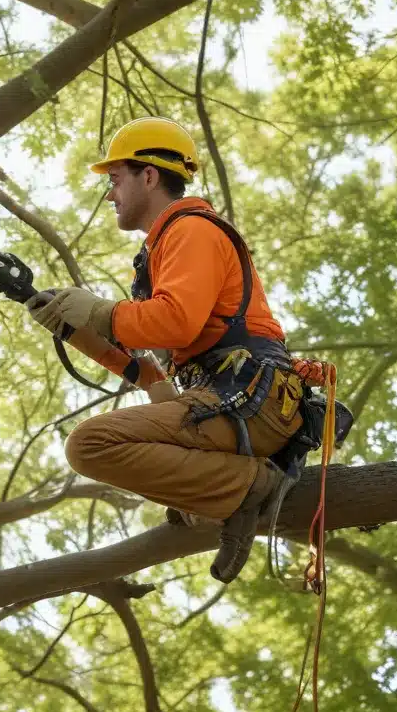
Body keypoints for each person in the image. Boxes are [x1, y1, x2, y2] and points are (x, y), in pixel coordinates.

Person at [28, 117, 303, 583]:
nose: (110, 194)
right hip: (224, 400)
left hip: (248, 401)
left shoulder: (192, 230)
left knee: (89, 444)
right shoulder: (161, 251)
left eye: (115, 180)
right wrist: (75, 328)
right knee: (177, 503)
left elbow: (174, 321)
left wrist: (97, 311)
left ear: (149, 175)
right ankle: (227, 500)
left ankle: (248, 487)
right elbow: (153, 371)